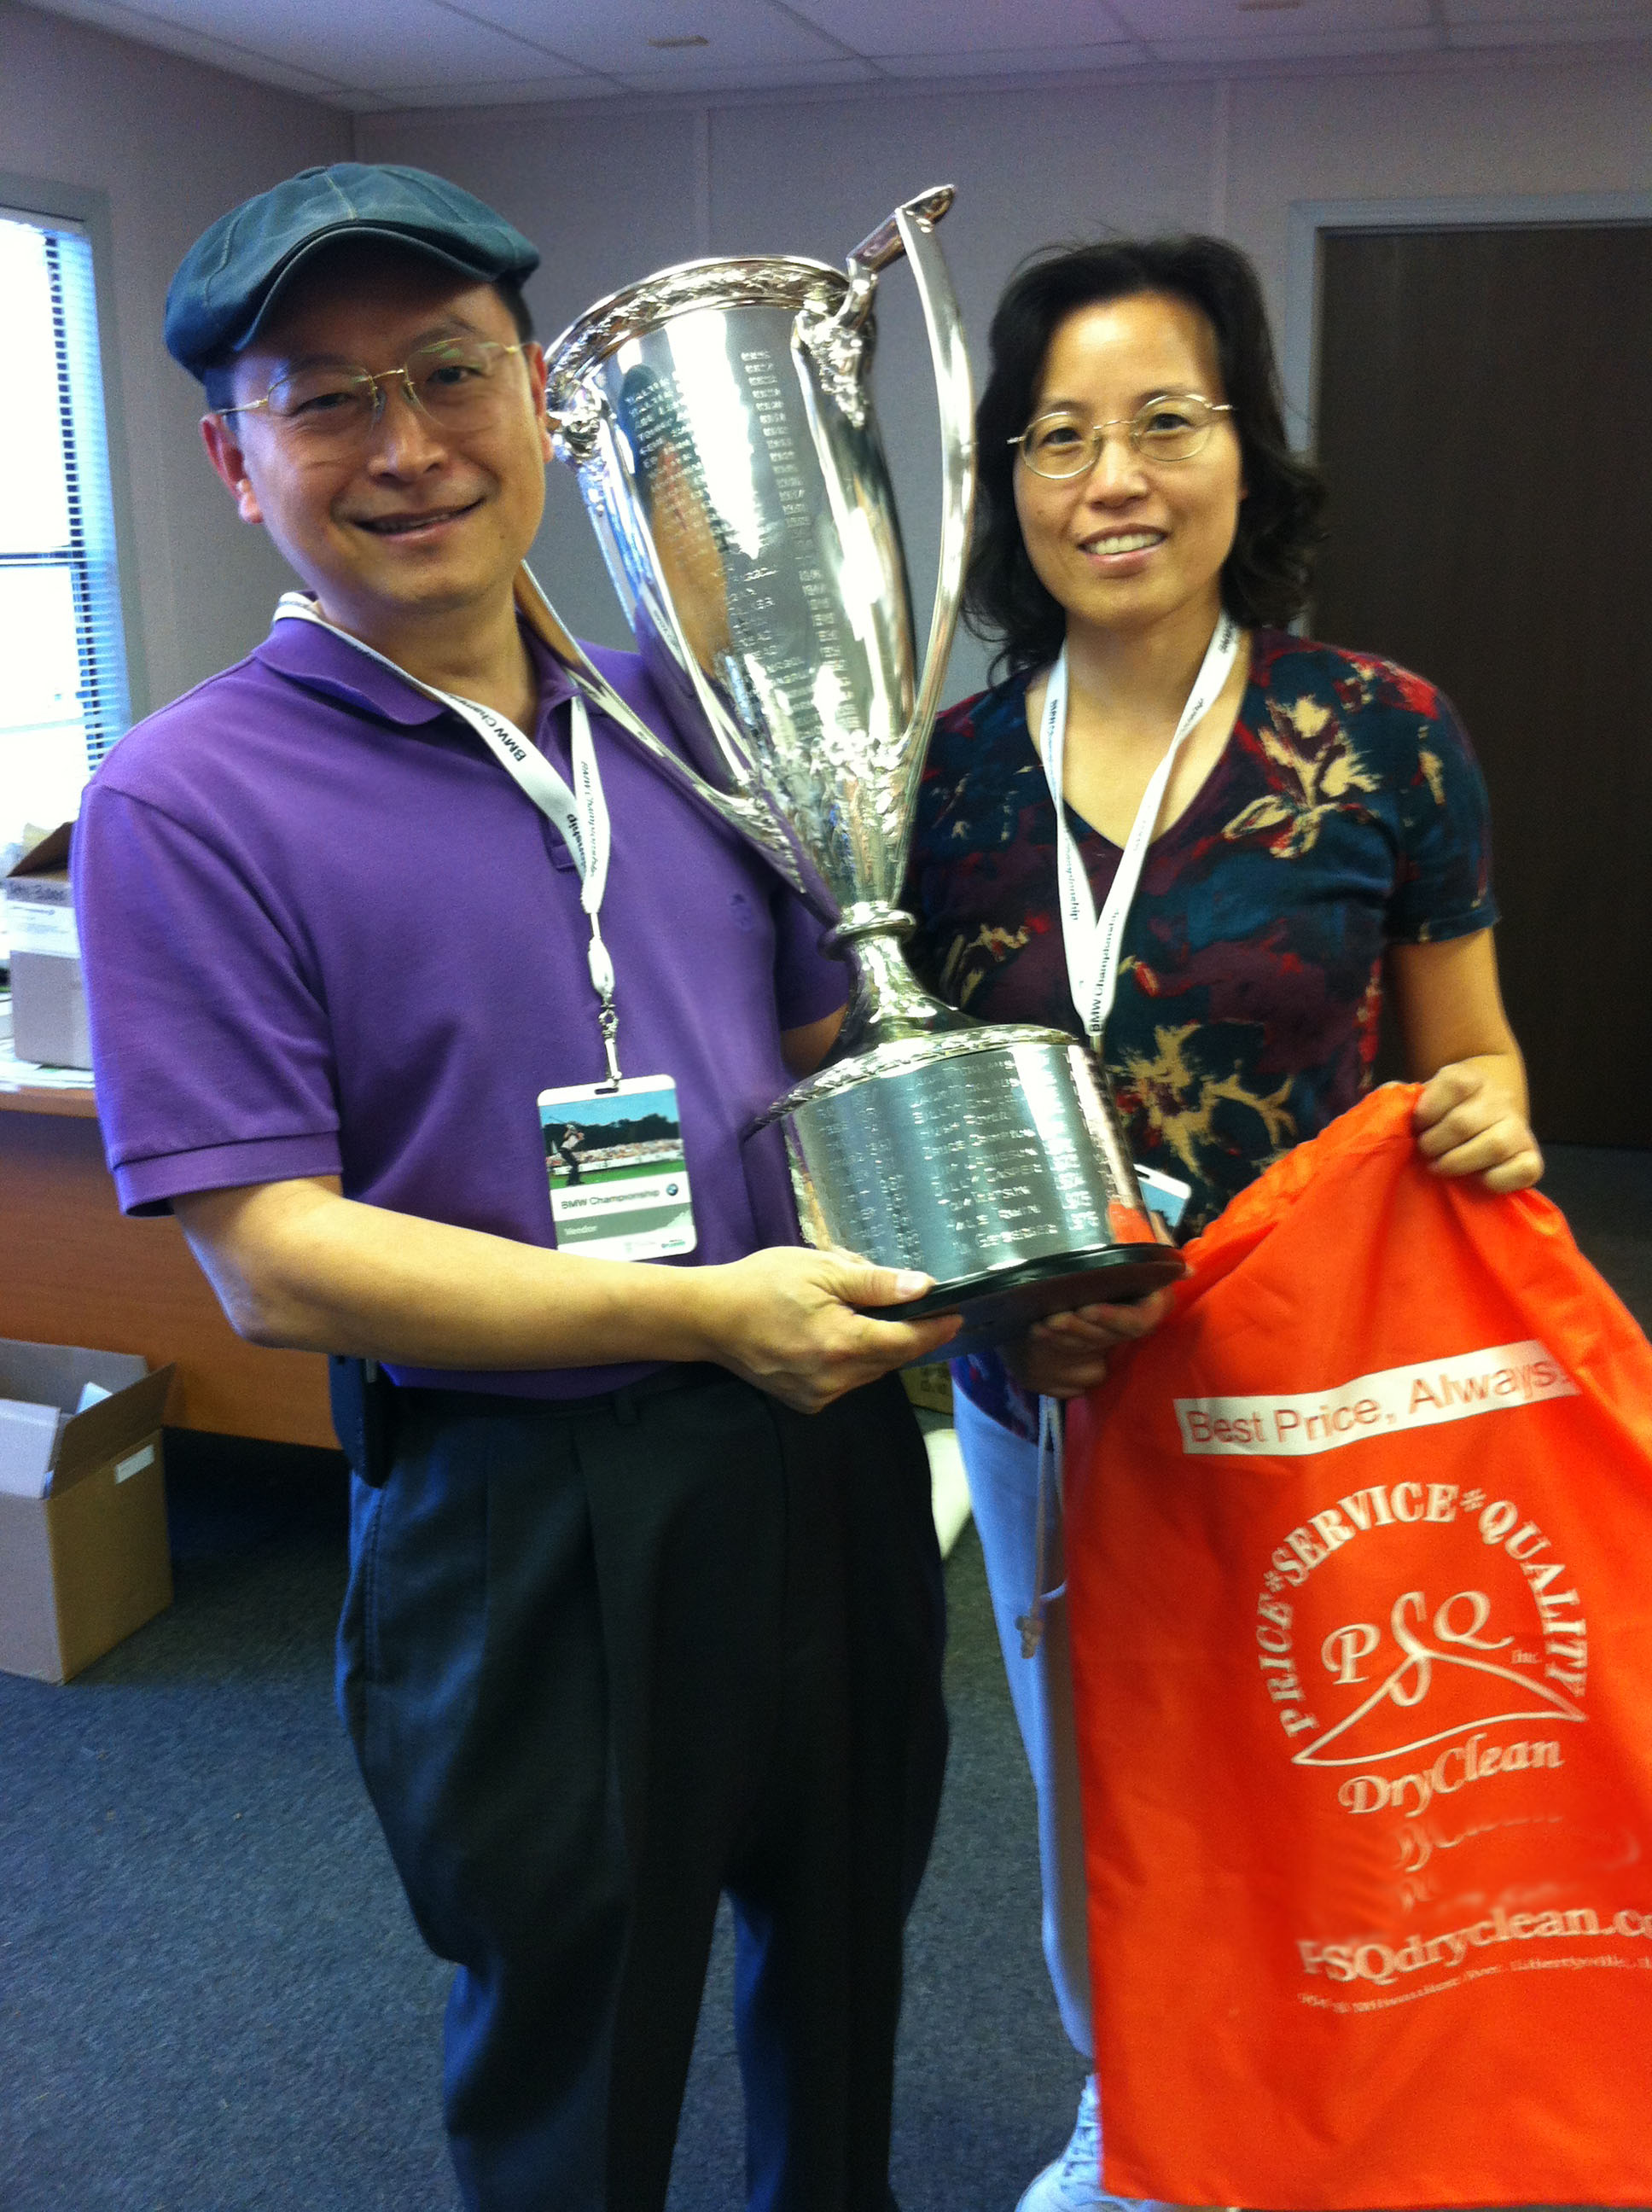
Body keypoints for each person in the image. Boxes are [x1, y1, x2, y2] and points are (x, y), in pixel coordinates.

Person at [73, 162, 959, 2212]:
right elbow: (275, 1261)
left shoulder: (687, 714)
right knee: (579, 2038)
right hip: (523, 1519)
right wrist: (698, 1310)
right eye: (326, 398)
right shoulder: (184, 801)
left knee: (847, 1962)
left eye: (451, 372)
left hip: (812, 1454)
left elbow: (813, 1046)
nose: (406, 447)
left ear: (543, 401)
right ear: (232, 457)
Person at [900, 235, 1542, 2212]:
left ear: (1242, 452)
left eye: (1162, 422)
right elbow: (915, 1109)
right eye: (1055, 437)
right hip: (1054, 1398)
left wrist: (1492, 1111)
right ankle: (1139, 2111)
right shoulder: (946, 780)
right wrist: (991, 1319)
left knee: (1342, 1761)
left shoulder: (1381, 729)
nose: (1113, 479)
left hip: (1313, 1387)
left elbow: (1474, 1056)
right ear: (1007, 487)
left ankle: (1344, 2096)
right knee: (1093, 1769)